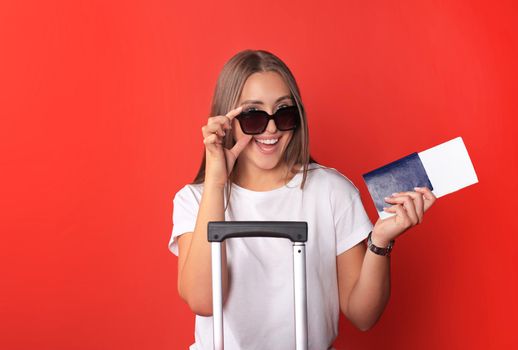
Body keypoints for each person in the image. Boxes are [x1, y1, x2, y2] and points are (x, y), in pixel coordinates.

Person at [168, 49, 437, 349]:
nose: (271, 128)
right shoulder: (194, 200)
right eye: (254, 116)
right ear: (227, 121)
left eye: (284, 113)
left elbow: (363, 315)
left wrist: (381, 241)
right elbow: (203, 300)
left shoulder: (330, 190)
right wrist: (216, 183)